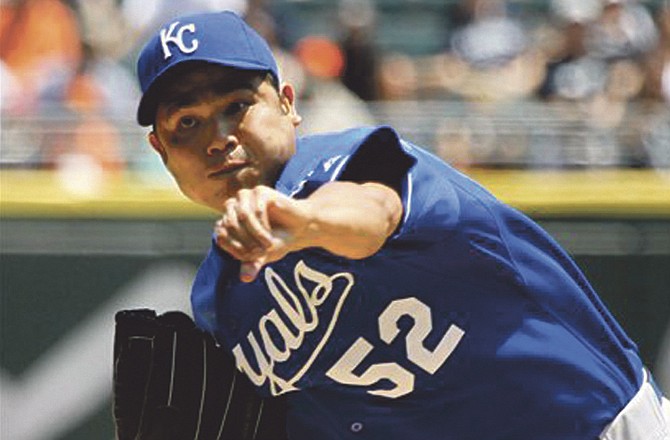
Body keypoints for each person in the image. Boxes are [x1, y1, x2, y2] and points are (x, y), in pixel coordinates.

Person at [134, 10, 670, 439]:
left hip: (597, 425)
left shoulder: (350, 160)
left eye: (237, 105)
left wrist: (305, 220)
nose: (218, 137)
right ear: (159, 149)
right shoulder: (220, 301)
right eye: (186, 123)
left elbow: (375, 210)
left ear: (288, 104)